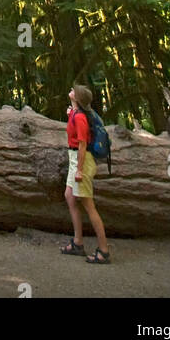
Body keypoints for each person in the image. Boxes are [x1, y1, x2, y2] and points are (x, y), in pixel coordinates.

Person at [59, 82, 110, 264]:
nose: (71, 91)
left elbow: (82, 144)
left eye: (74, 91)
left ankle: (103, 251)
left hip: (82, 161)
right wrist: (70, 114)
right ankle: (78, 242)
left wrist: (79, 170)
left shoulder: (80, 117)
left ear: (78, 99)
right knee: (70, 196)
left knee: (88, 205)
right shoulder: (75, 113)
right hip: (74, 159)